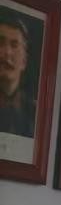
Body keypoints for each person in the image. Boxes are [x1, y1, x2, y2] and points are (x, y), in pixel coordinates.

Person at [0, 8, 34, 137]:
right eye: (0, 42)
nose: (7, 52)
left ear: (24, 61)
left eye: (14, 45)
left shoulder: (35, 113)